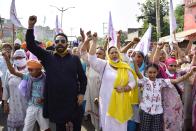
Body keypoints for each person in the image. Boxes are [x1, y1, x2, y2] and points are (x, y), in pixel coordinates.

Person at [26, 15, 87, 131]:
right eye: (57, 41)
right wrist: (30, 27)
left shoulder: (75, 59)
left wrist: (81, 93)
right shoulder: (47, 57)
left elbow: (83, 78)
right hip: (56, 102)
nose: (60, 43)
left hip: (73, 101)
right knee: (60, 128)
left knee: (76, 127)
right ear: (54, 43)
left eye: (62, 41)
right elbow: (31, 45)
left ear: (66, 44)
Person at [88, 32, 138, 131]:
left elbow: (133, 82)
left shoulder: (125, 66)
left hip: (121, 100)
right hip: (107, 101)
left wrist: (124, 88)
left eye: (116, 52)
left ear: (119, 54)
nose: (114, 54)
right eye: (111, 53)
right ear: (108, 55)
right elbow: (92, 59)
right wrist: (94, 42)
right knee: (108, 125)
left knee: (120, 125)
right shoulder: (104, 65)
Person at [134, 63, 196, 131]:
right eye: (150, 72)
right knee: (145, 129)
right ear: (146, 72)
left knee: (156, 129)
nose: (152, 74)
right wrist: (134, 60)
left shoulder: (161, 81)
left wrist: (189, 74)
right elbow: (137, 72)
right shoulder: (145, 81)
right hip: (145, 111)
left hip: (158, 112)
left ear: (157, 72)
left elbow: (176, 80)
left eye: (154, 72)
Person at [2, 50, 51, 131]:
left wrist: (44, 99)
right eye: (16, 58)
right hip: (22, 106)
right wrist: (7, 59)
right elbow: (11, 74)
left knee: (43, 128)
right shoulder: (27, 76)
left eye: (32, 69)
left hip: (35, 106)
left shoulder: (43, 78)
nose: (30, 71)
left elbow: (50, 91)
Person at [2, 49, 28, 131]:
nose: (19, 59)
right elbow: (6, 87)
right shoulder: (9, 72)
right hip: (13, 105)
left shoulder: (30, 70)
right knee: (12, 128)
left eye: (21, 57)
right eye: (16, 58)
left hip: (26, 106)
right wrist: (5, 103)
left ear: (25, 58)